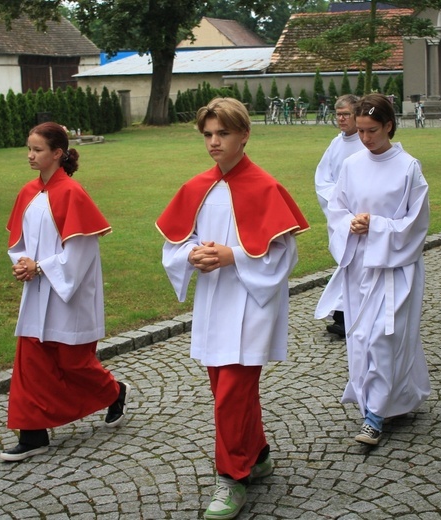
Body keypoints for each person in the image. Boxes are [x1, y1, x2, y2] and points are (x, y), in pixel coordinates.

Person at [156, 98, 309, 520]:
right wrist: (191, 256)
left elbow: (283, 255)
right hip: (213, 303)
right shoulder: (196, 187)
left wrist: (234, 256)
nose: (214, 142)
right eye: (208, 134)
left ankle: (231, 478)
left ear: (244, 134)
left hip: (250, 305)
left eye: (222, 133)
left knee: (231, 394)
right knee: (225, 389)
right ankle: (257, 454)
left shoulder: (266, 187)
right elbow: (175, 242)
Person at [2, 122, 130, 462]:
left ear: (57, 154)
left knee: (74, 362)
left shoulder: (72, 193)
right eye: (28, 148)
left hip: (68, 292)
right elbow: (18, 241)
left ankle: (114, 391)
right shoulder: (28, 193)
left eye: (38, 150)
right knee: (30, 359)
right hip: (36, 290)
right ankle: (32, 435)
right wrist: (22, 262)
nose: (30, 155)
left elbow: (81, 253)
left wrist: (40, 266)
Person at [315, 93, 431, 446]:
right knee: (362, 337)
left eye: (372, 131)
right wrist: (350, 223)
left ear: (389, 126)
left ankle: (375, 415)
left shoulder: (409, 167)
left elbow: (416, 223)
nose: (364, 138)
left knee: (385, 336)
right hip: (360, 265)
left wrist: (377, 226)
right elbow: (337, 209)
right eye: (361, 131)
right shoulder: (352, 165)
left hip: (396, 268)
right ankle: (390, 398)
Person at [314, 94, 366, 338]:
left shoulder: (366, 142)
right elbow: (322, 178)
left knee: (356, 266)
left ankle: (345, 317)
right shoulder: (336, 144)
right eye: (338, 115)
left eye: (346, 114)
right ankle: (344, 314)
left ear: (357, 115)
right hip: (340, 216)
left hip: (362, 218)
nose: (342, 119)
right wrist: (337, 202)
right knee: (345, 264)